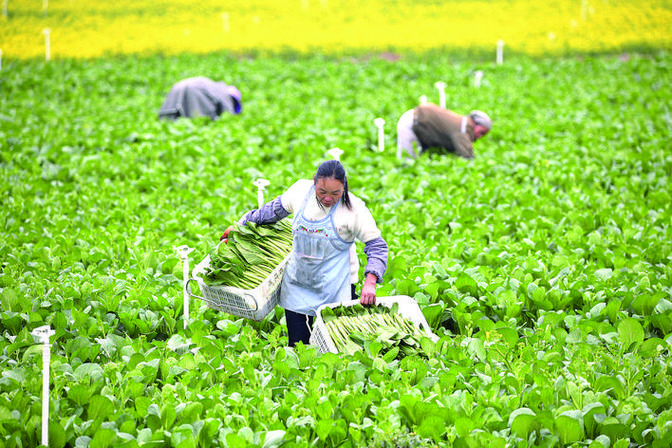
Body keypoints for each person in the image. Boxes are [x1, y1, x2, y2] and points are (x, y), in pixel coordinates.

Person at [221, 160, 389, 346]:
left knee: (336, 347)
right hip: (298, 286)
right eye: (322, 191)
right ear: (315, 182)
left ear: (344, 187)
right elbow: (271, 212)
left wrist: (370, 281)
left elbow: (377, 246)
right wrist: (241, 225)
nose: (327, 198)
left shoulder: (353, 209)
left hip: (336, 288)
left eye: (335, 193)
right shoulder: (300, 191)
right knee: (299, 349)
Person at [396, 103, 492, 159]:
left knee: (416, 159)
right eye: (481, 132)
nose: (480, 136)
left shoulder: (463, 123)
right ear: (475, 123)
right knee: (408, 161)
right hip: (411, 123)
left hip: (418, 123)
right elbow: (467, 155)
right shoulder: (463, 127)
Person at [158, 76, 242, 121]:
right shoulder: (224, 93)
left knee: (173, 120)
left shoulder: (215, 87)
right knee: (197, 120)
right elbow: (229, 111)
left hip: (177, 88)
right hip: (194, 91)